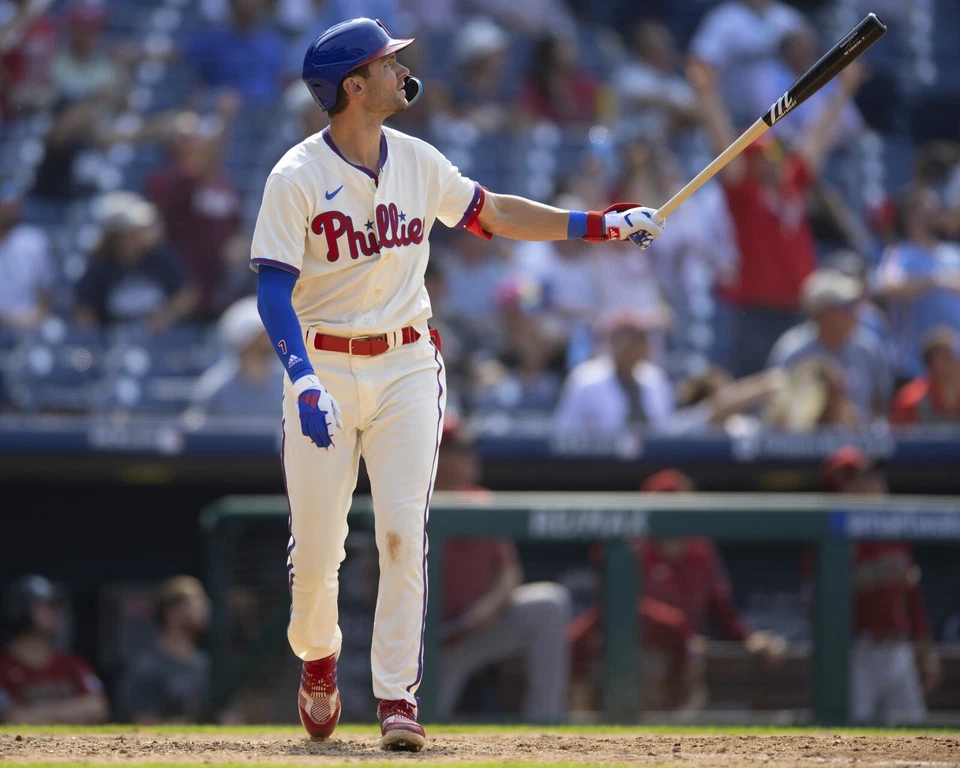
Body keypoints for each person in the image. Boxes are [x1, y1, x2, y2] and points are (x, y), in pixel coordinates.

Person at [250, 18, 664, 751]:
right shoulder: (295, 176)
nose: (401, 68)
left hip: (409, 360)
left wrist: (599, 224)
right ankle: (318, 660)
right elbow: (275, 292)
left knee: (404, 531)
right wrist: (303, 378)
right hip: (324, 363)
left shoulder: (417, 160)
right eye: (386, 62)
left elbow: (495, 213)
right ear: (353, 86)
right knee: (317, 553)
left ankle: (394, 700)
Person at [687, 57, 866, 377]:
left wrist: (844, 90)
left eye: (780, 152)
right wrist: (706, 95)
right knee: (760, 386)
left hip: (802, 309)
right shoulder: (746, 194)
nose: (780, 159)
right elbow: (723, 145)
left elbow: (818, 137)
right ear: (754, 163)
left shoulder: (792, 183)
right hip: (758, 312)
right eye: (770, 154)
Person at [568, 470, 786, 713]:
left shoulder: (701, 551)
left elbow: (722, 610)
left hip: (682, 647)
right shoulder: (632, 546)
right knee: (579, 641)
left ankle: (683, 726)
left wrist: (747, 638)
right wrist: (678, 628)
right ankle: (581, 726)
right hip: (637, 638)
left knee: (692, 651)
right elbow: (618, 603)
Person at [435, 418, 571, 721]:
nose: (471, 456)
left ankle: (543, 722)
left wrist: (487, 610)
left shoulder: (481, 500)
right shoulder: (409, 498)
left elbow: (509, 572)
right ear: (437, 453)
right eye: (459, 449)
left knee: (549, 604)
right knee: (419, 723)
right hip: (431, 642)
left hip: (480, 624)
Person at [821, 447, 942, 724]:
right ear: (843, 486)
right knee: (849, 735)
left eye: (874, 477)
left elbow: (910, 594)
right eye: (864, 478)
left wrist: (923, 644)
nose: (876, 484)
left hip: (898, 647)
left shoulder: (892, 531)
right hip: (855, 651)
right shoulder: (831, 540)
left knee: (914, 734)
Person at [146, 104, 244, 317]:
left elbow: (237, 226)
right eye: (190, 137)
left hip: (223, 286)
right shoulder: (163, 180)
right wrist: (224, 124)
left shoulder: (225, 183)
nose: (200, 142)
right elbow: (197, 175)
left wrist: (239, 245)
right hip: (184, 288)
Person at [767, 269, 892, 425]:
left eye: (855, 306)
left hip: (860, 444)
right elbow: (776, 411)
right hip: (803, 446)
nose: (854, 313)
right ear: (821, 312)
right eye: (846, 307)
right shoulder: (792, 350)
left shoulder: (868, 347)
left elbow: (879, 404)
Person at [74, 191, 199, 330]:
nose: (135, 237)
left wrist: (167, 314)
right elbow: (85, 315)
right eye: (129, 232)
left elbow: (188, 295)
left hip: (161, 342)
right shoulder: (99, 267)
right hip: (115, 346)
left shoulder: (159, 257)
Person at [874, 185, 960, 379]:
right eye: (930, 208)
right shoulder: (901, 253)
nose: (937, 212)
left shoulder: (953, 253)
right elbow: (887, 287)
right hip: (914, 367)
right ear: (911, 216)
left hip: (954, 368)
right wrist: (937, 282)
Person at [0, 575, 108, 724]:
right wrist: (73, 711)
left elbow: (97, 708)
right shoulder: (4, 667)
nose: (56, 612)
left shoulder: (72, 664)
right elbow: (12, 718)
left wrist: (37, 713)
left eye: (56, 606)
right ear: (20, 610)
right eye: (47, 605)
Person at [552, 311, 674, 435]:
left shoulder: (656, 379)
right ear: (612, 342)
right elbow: (564, 430)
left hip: (653, 453)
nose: (634, 346)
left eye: (639, 339)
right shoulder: (585, 379)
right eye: (626, 338)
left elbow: (665, 430)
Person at [689, 0, 805, 126]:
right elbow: (700, 71)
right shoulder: (723, 20)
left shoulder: (788, 19)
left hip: (784, 120)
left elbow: (806, 69)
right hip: (735, 120)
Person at [117, 576, 211, 724]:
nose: (205, 607)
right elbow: (139, 721)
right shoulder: (146, 667)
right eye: (196, 601)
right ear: (171, 611)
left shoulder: (205, 664)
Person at [191, 296, 283, 417]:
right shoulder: (214, 387)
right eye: (262, 333)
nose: (271, 337)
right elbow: (195, 430)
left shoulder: (288, 384)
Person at [182, 0, 286, 104]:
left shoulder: (275, 42)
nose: (249, 4)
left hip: (267, 111)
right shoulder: (213, 39)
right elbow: (178, 56)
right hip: (223, 108)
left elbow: (282, 81)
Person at [0, 180, 54, 332]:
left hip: (28, 323)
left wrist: (38, 316)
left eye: (13, 205)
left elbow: (46, 292)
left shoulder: (34, 240)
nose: (9, 210)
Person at [890, 326, 960, 425]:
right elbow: (898, 436)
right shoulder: (911, 399)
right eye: (944, 358)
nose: (949, 364)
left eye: (952, 357)